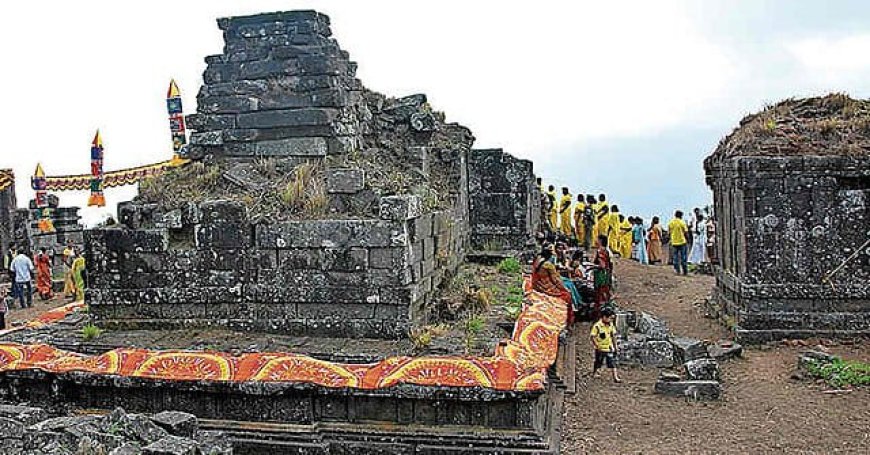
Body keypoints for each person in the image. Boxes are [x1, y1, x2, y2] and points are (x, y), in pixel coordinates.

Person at [532, 245, 574, 324]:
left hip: (538, 285)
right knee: (567, 295)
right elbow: (556, 281)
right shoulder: (548, 265)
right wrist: (565, 289)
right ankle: (568, 322)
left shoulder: (537, 262)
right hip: (545, 287)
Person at [590, 307, 621, 382]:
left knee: (612, 362)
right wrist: (597, 345)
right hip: (600, 348)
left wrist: (615, 346)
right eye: (610, 318)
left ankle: (615, 377)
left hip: (609, 347)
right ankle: (595, 372)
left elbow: (613, 336)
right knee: (598, 361)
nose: (611, 320)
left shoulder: (610, 325)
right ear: (604, 317)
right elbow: (593, 336)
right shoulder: (597, 326)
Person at [591, 235, 613, 321]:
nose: (595, 241)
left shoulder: (600, 251)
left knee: (599, 295)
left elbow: (602, 265)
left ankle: (599, 316)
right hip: (606, 275)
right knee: (604, 294)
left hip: (600, 275)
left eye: (597, 239)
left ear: (600, 241)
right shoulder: (606, 251)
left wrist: (591, 266)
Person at [668, 210, 689, 275]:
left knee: (675, 256)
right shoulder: (682, 223)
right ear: (681, 216)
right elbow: (686, 232)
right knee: (683, 257)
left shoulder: (671, 223)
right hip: (682, 241)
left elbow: (669, 233)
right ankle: (685, 270)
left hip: (674, 242)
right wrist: (688, 240)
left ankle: (677, 270)